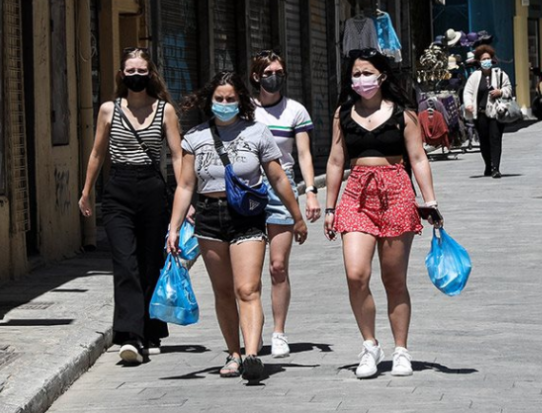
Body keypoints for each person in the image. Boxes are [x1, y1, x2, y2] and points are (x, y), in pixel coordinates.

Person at [166, 71, 308, 382]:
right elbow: (186, 185)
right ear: (210, 101)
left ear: (241, 101)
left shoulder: (257, 132)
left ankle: (253, 354)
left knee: (247, 288)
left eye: (231, 99)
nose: (225, 104)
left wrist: (296, 215)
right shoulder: (195, 137)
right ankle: (234, 352)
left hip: (247, 216)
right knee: (223, 291)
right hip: (209, 216)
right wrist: (174, 227)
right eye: (220, 99)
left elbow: (279, 178)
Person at [324, 48, 442, 379]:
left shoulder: (404, 115)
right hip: (357, 194)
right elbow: (335, 161)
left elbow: (418, 158)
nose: (361, 79)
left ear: (382, 76)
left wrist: (430, 201)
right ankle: (370, 345)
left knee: (393, 279)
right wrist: (330, 208)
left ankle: (401, 349)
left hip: (396, 192)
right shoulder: (342, 114)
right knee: (356, 274)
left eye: (367, 73)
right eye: (356, 74)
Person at [78, 47, 183, 364]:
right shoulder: (109, 110)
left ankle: (151, 330)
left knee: (150, 263)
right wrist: (86, 192)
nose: (136, 77)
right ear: (121, 75)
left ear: (150, 74)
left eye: (141, 71)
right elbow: (97, 153)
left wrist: (184, 197)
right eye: (130, 71)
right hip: (118, 191)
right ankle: (130, 336)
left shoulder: (165, 111)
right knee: (126, 263)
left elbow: (177, 156)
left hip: (153, 191)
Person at [249, 50, 322, 358]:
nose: (274, 77)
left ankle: (279, 331)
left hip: (282, 187)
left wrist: (312, 192)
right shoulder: (244, 110)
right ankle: (253, 328)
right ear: (256, 77)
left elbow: (304, 154)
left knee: (277, 266)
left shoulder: (295, 111)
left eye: (279, 72)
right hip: (249, 189)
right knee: (249, 272)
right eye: (268, 72)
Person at [462, 45, 512, 178]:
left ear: (492, 59)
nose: (486, 61)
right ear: (479, 61)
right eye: (483, 59)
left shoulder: (500, 74)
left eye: (488, 58)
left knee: (495, 139)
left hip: (497, 113)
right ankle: (488, 165)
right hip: (481, 114)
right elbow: (468, 92)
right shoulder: (475, 77)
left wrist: (500, 91)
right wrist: (468, 104)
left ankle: (496, 168)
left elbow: (509, 89)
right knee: (484, 142)